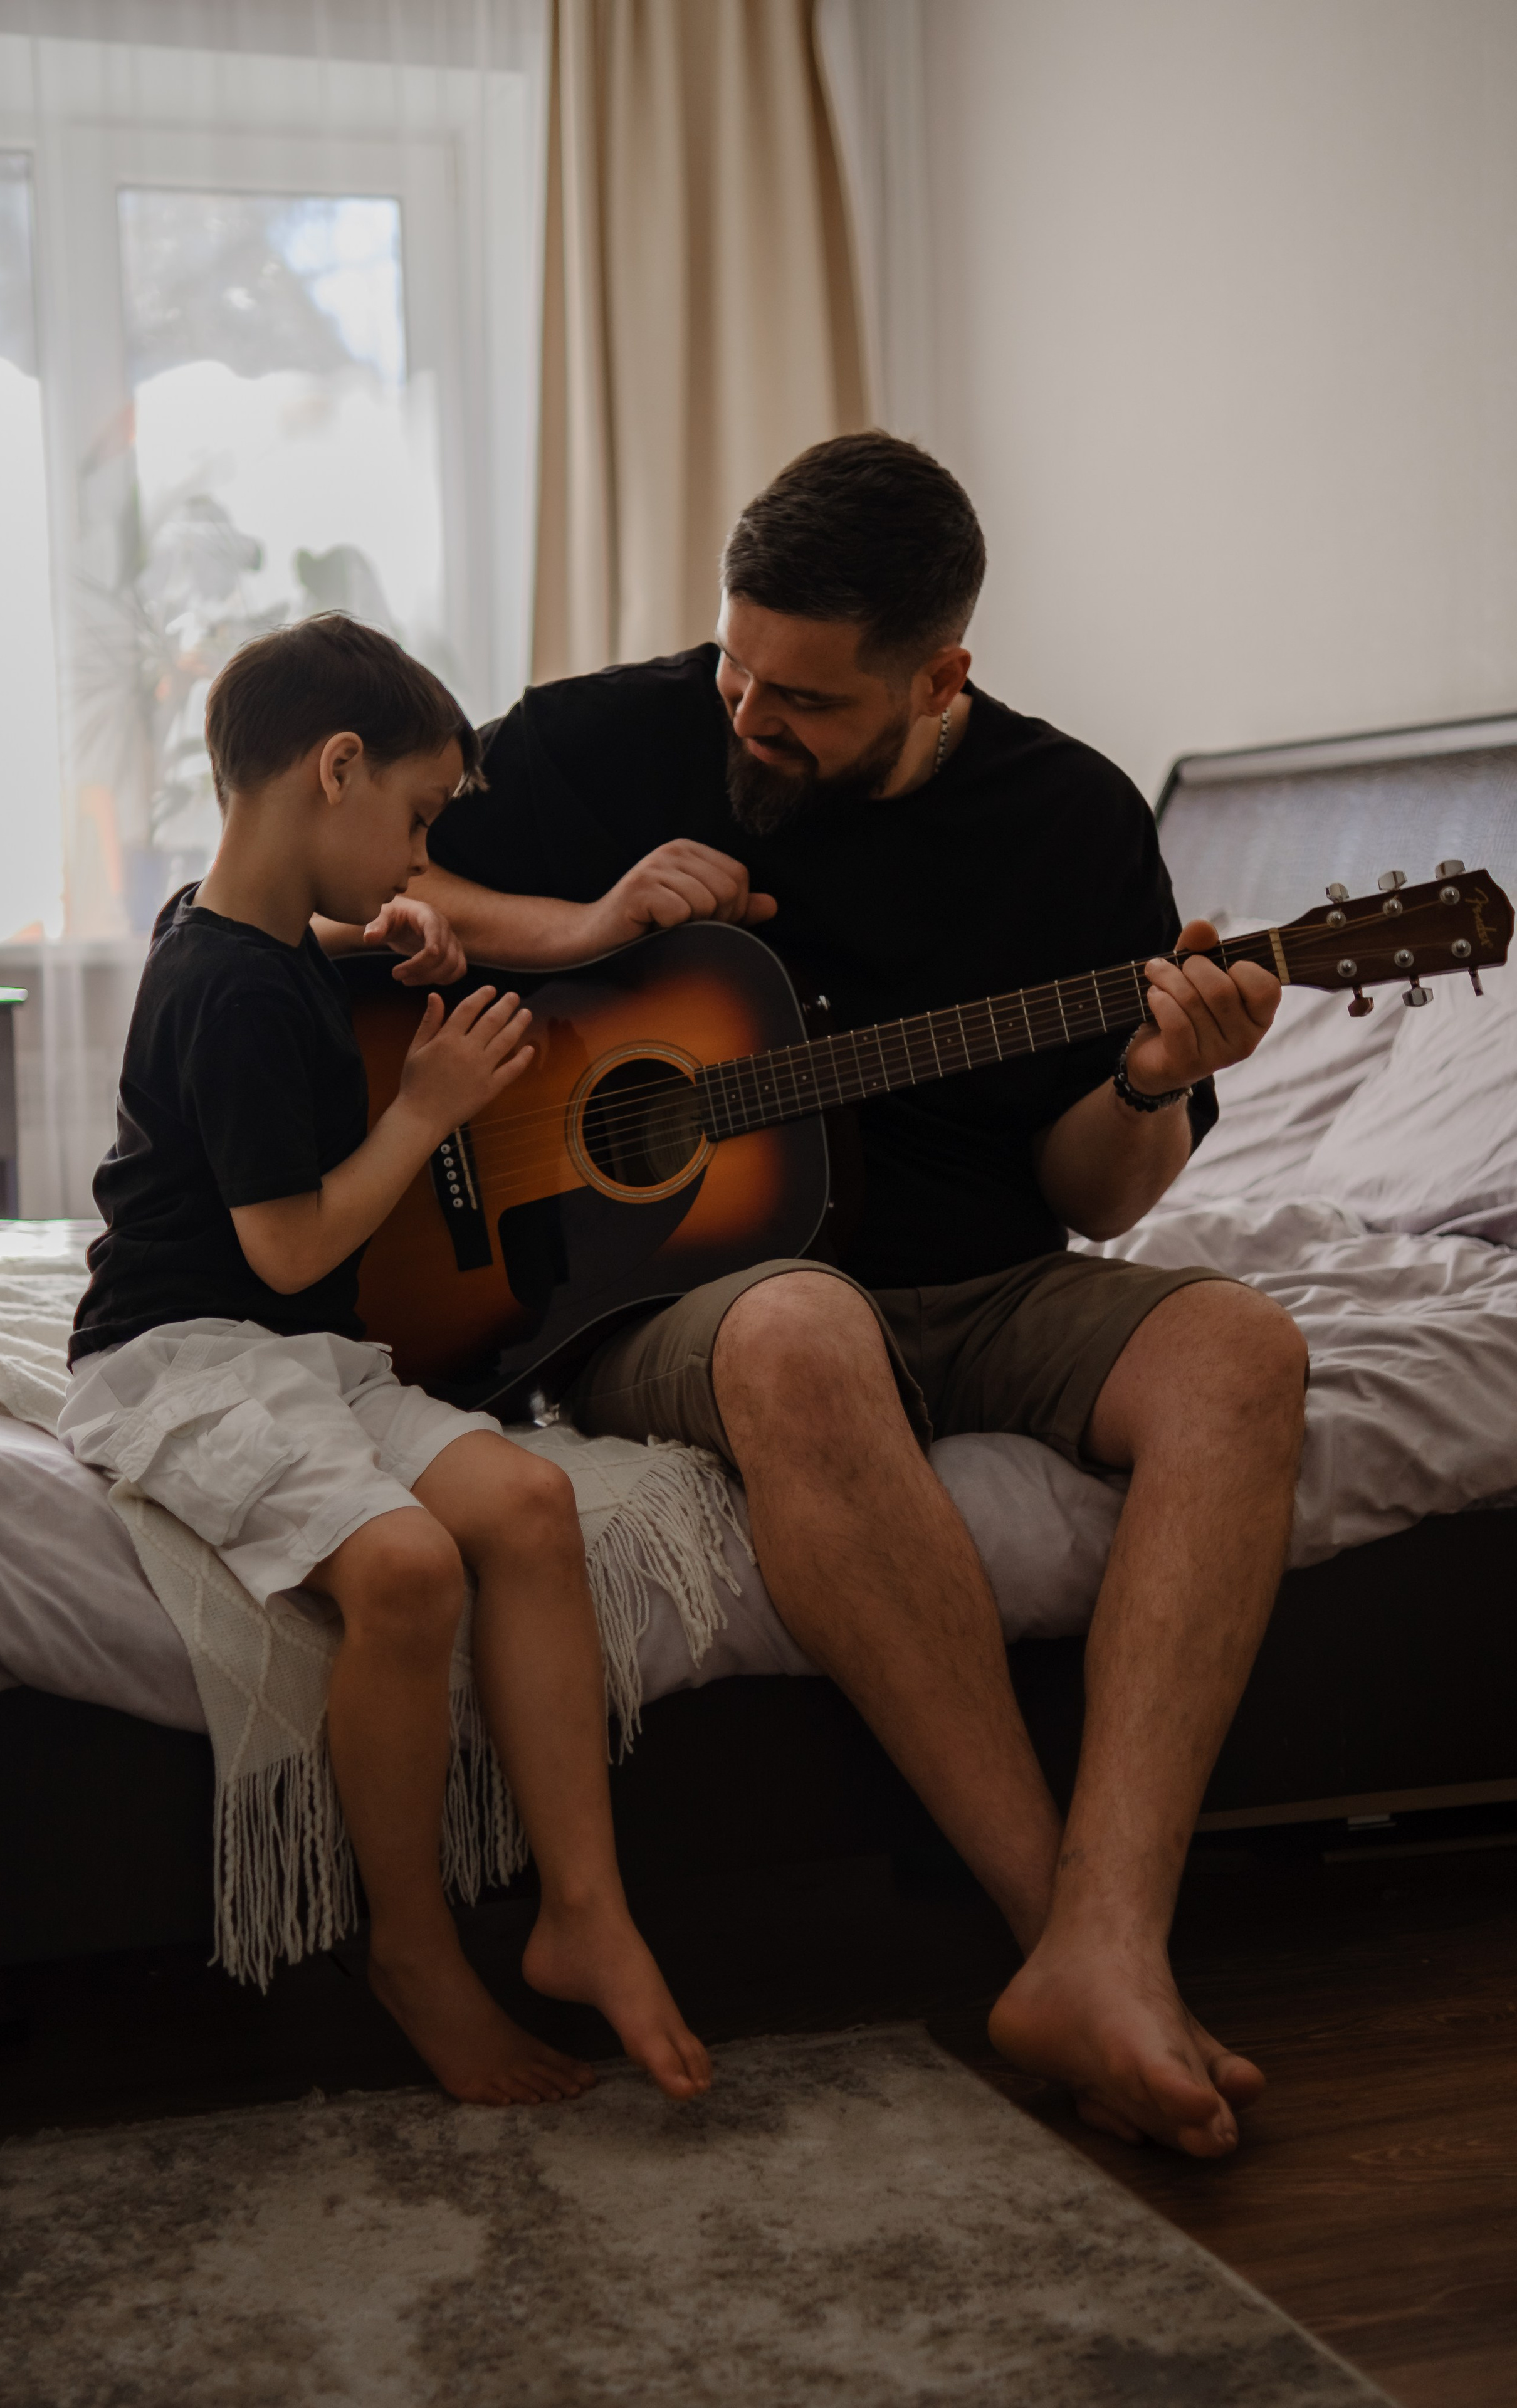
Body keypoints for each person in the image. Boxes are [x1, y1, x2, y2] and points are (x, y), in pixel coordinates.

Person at [394, 433, 1309, 2158]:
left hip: (983, 1274)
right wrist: (581, 923)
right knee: (803, 1320)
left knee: (1245, 1347)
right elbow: (367, 895)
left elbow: (1092, 1202)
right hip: (694, 1293)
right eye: (738, 667)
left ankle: (1103, 1950)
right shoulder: (609, 737)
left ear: (940, 673)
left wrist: (1149, 1086)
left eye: (805, 700)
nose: (749, 718)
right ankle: (1080, 1945)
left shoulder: (1069, 821)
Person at [59, 614, 710, 2110]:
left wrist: (368, 932)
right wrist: (424, 1106)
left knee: (532, 1513)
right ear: (335, 770)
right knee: (409, 1572)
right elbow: (286, 1247)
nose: (422, 864)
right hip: (176, 1356)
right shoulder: (218, 988)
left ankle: (581, 1909)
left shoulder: (236, 928)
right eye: (416, 822)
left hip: (297, 1352)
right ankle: (410, 1950)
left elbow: (263, 936)